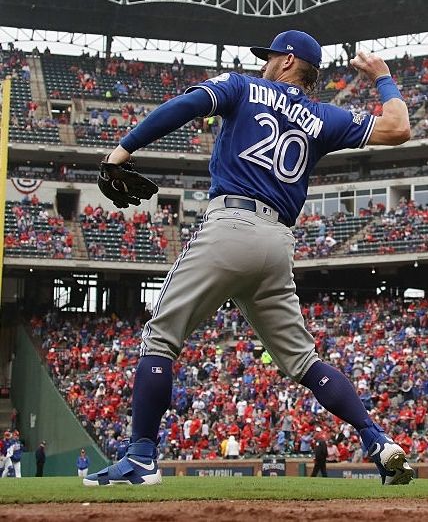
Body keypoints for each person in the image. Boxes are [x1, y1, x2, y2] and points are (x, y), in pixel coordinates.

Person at [85, 30, 413, 487]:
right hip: (278, 243)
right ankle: (377, 439)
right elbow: (400, 128)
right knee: (303, 362)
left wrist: (121, 152)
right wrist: (383, 76)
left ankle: (140, 456)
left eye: (271, 56)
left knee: (159, 339)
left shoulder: (243, 86)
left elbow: (184, 106)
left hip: (230, 225)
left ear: (286, 61)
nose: (264, 63)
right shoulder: (324, 116)